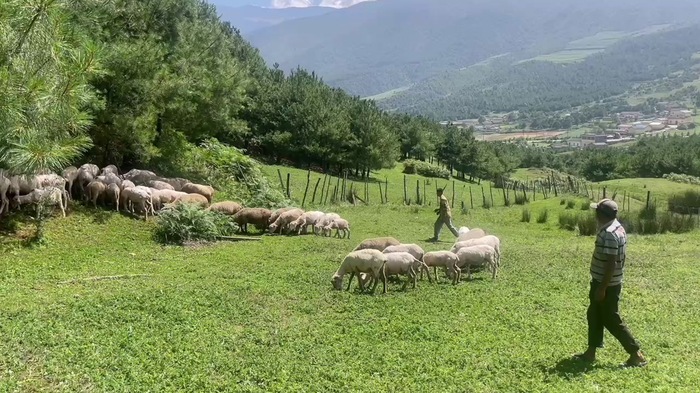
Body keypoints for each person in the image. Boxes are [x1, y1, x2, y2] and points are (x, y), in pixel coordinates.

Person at [574, 199, 646, 367]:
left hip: (606, 285)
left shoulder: (609, 233)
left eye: (596, 211)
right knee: (594, 315)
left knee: (611, 319)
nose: (594, 214)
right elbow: (622, 258)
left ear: (600, 214)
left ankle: (636, 355)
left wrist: (602, 288)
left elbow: (611, 262)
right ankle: (590, 353)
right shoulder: (618, 228)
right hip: (606, 282)